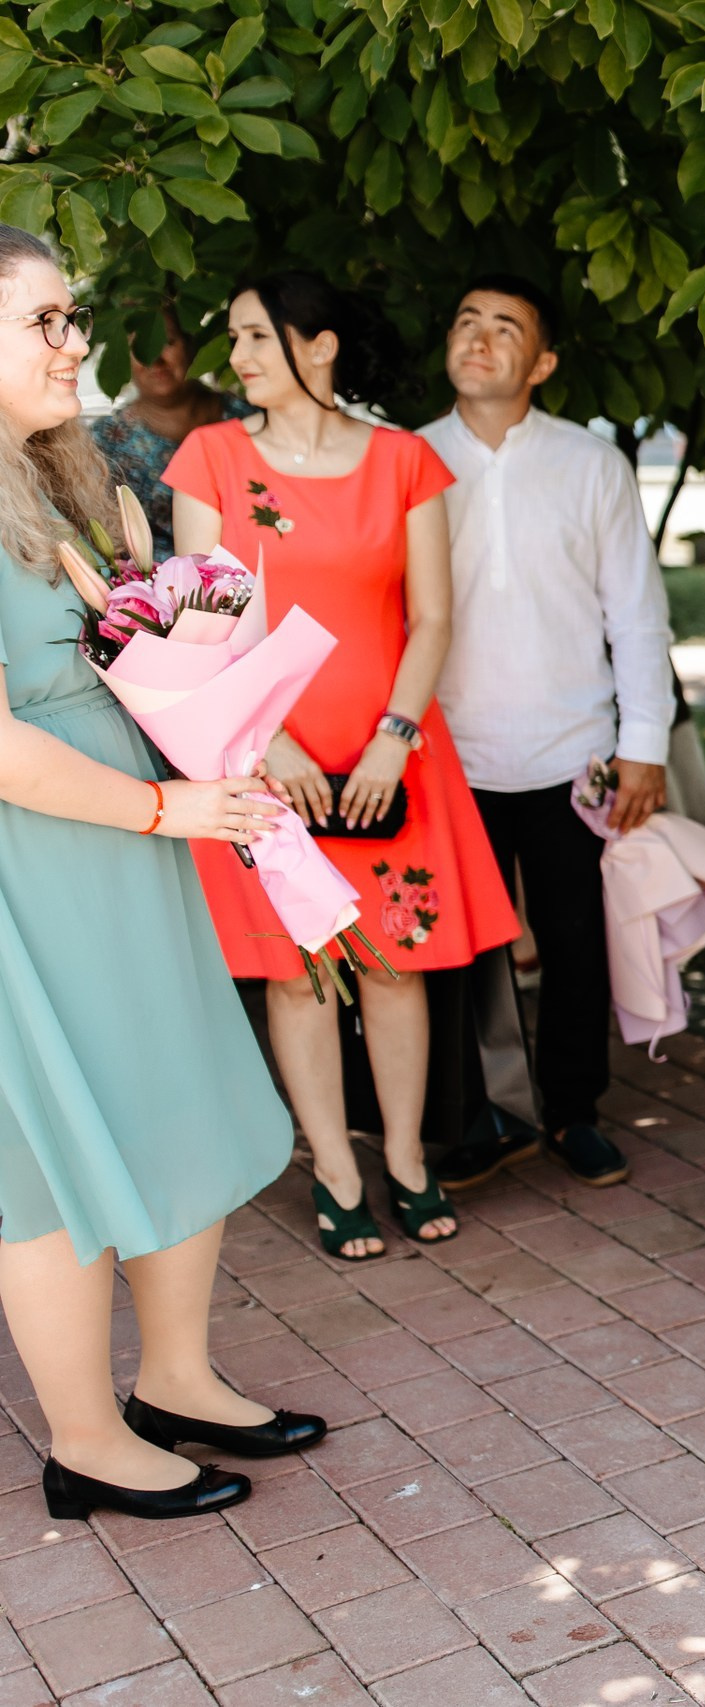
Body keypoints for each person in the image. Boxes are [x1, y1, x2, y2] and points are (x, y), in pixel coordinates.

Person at [0, 223, 324, 1524]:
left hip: (140, 851)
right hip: (39, 873)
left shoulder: (72, 479)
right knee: (51, 1153)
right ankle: (86, 1434)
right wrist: (162, 801)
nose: (78, 343)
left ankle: (178, 1375)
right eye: (46, 321)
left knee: (176, 1088)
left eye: (74, 317)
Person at [167, 272, 517, 1262]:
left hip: (389, 753)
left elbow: (432, 616)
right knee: (300, 976)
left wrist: (391, 737)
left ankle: (405, 1158)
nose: (234, 361)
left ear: (317, 348)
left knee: (399, 965)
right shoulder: (212, 459)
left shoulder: (405, 462)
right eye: (232, 341)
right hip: (264, 755)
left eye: (255, 340)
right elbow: (203, 622)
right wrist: (269, 743)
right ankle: (334, 1167)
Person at [421, 273, 674, 1192]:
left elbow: (636, 614)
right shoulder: (408, 462)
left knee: (575, 945)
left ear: (545, 361)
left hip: (574, 753)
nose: (479, 339)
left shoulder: (590, 465)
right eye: (466, 320)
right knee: (461, 952)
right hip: (445, 755)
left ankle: (572, 1111)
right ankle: (479, 1118)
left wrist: (644, 742)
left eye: (505, 328)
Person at [89, 311, 253, 560]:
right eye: (138, 347)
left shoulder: (247, 417)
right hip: (163, 589)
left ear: (191, 345)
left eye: (166, 342)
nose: (155, 359)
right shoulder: (106, 440)